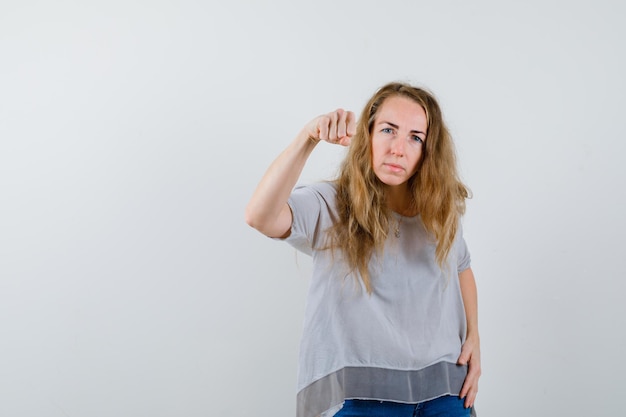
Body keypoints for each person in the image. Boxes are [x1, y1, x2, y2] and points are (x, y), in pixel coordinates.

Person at [245, 82, 481, 417]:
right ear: (366, 135)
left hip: (445, 390)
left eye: (415, 137)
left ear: (428, 151)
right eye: (388, 130)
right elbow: (259, 216)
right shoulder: (332, 205)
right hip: (365, 397)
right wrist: (307, 138)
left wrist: (474, 337)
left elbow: (462, 266)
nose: (398, 148)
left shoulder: (438, 211)